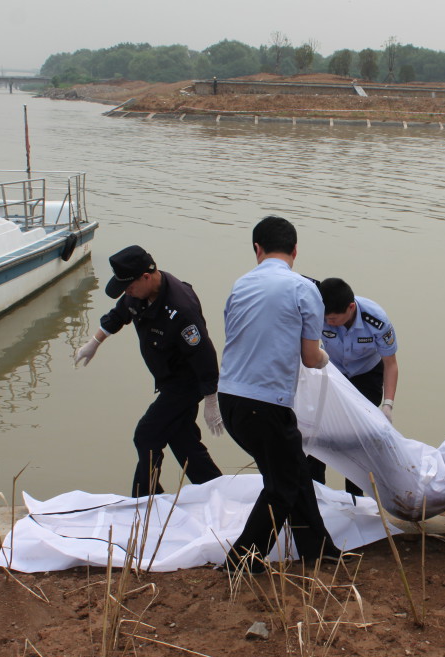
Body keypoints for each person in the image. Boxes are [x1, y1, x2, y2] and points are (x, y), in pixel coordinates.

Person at [217, 216, 337, 573]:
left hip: (231, 400)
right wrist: (325, 359)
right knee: (282, 485)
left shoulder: (240, 285)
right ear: (295, 250)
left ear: (257, 249)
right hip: (266, 405)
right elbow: (310, 356)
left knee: (294, 472)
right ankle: (241, 563)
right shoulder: (303, 289)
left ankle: (319, 549)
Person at [74, 245, 224, 498]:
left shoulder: (181, 308)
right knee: (183, 442)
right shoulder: (138, 293)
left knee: (145, 436)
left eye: (129, 287)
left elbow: (204, 355)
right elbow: (119, 314)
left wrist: (211, 400)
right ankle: (217, 490)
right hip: (167, 380)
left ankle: (145, 497)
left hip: (185, 383)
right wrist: (95, 342)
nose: (127, 293)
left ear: (146, 276)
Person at [313, 277, 399, 494]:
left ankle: (357, 499)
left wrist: (388, 405)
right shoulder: (316, 314)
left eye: (333, 319)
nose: (328, 322)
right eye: (326, 319)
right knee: (318, 435)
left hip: (366, 375)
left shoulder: (376, 319)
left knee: (358, 439)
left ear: (351, 308)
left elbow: (391, 364)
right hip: (332, 372)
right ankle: (317, 494)